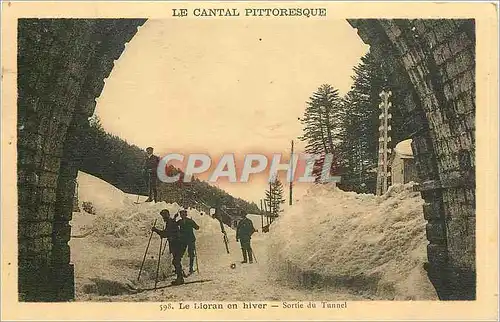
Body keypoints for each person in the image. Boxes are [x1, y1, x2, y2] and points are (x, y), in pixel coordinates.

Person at [152, 209, 184, 285]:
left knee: (176, 261)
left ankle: (180, 279)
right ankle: (180, 277)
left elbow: (165, 234)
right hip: (176, 244)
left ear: (167, 215)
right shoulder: (170, 221)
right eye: (162, 216)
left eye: (164, 216)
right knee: (176, 261)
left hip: (176, 244)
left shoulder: (170, 222)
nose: (163, 218)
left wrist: (156, 230)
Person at [178, 209, 200, 275]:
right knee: (180, 253)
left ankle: (191, 268)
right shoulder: (180, 222)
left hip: (190, 240)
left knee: (191, 254)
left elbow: (197, 227)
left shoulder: (190, 221)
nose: (183, 216)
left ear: (186, 215)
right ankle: (180, 268)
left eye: (184, 214)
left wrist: (193, 224)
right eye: (182, 215)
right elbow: (175, 226)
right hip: (183, 240)